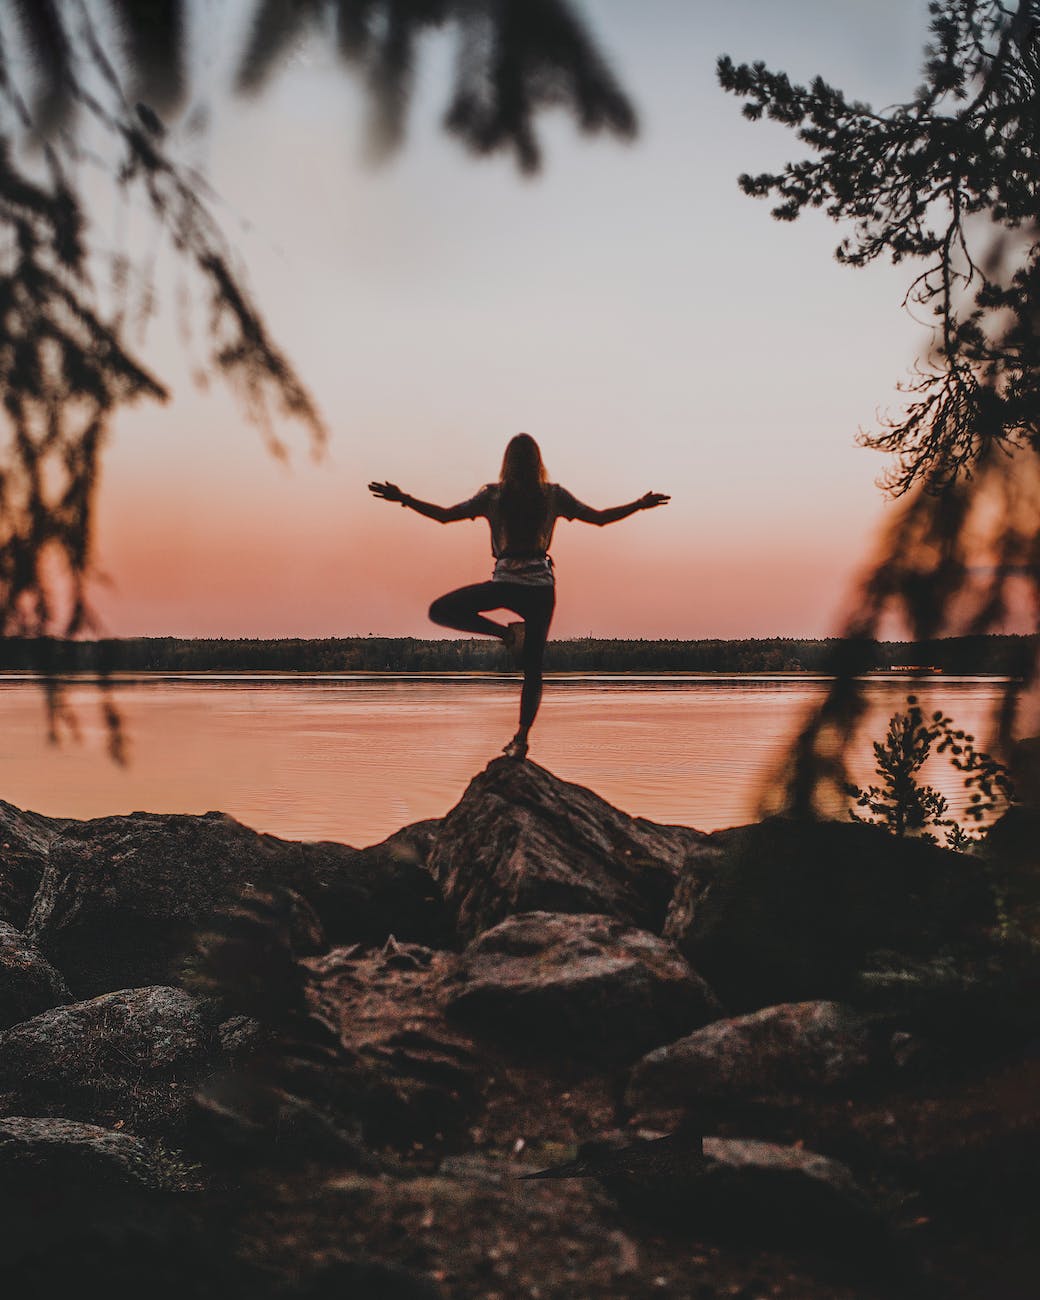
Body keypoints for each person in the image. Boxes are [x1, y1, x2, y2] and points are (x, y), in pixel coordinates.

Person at [368, 433, 669, 760]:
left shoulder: (494, 495)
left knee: (442, 610)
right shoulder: (551, 495)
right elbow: (599, 519)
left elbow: (444, 515)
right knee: (533, 669)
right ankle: (522, 737)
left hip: (508, 584)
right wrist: (639, 504)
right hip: (541, 590)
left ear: (506, 462)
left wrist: (405, 498)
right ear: (538, 461)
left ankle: (507, 635)